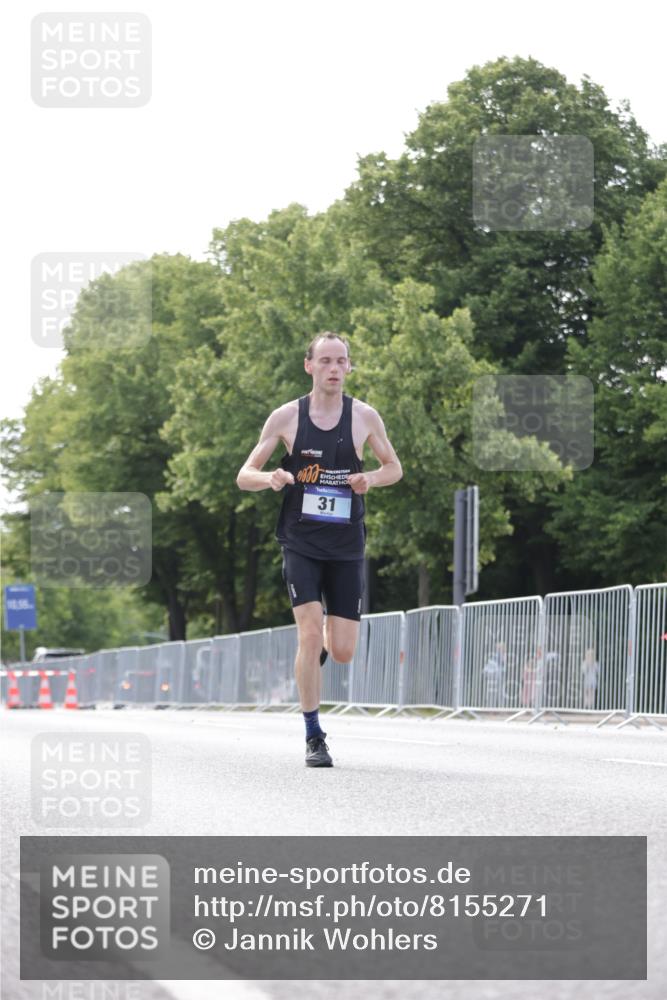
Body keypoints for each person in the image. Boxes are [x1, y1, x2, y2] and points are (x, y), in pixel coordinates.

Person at [236, 331, 402, 767]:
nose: (334, 368)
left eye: (341, 361)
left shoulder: (364, 417)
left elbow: (394, 467)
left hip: (346, 543)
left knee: (342, 651)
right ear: (309, 366)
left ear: (349, 367)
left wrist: (372, 479)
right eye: (325, 360)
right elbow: (244, 474)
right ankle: (314, 736)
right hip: (301, 541)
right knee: (309, 634)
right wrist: (270, 478)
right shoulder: (287, 417)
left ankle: (321, 650)